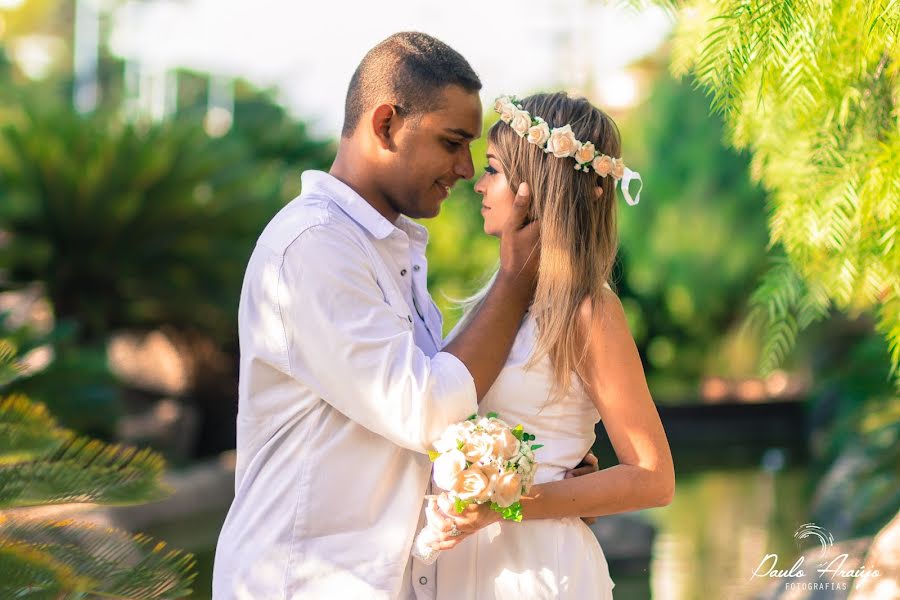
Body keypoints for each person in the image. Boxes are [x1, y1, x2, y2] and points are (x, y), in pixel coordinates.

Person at [212, 33, 600, 599]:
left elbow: (426, 427)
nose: (466, 170)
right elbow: (427, 409)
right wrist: (517, 281)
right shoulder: (314, 248)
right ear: (386, 123)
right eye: (452, 142)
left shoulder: (388, 250)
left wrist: (535, 478)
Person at [418, 92, 676, 599]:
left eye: (493, 169)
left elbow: (653, 477)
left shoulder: (588, 312)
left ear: (536, 187)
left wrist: (508, 503)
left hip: (536, 572)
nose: (479, 184)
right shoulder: (496, 301)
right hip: (464, 566)